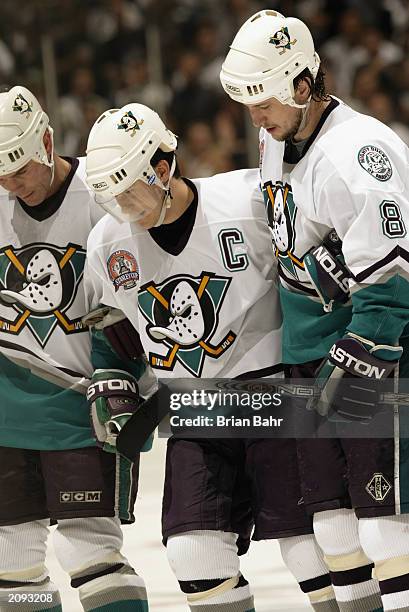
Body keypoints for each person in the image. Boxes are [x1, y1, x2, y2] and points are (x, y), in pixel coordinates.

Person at [83, 102, 340, 611]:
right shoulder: (106, 244)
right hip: (195, 412)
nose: (118, 204)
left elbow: (329, 260)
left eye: (127, 187)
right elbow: (112, 328)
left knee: (312, 548)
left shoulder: (248, 200)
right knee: (192, 554)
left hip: (277, 398)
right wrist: (113, 380)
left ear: (161, 167)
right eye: (107, 192)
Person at [220, 9, 409, 612]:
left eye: (266, 101)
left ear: (305, 84)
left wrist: (362, 353)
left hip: (365, 357)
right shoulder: (277, 133)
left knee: (385, 522)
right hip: (307, 356)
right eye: (248, 103)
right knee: (331, 526)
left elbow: (395, 277)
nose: (257, 116)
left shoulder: (361, 150)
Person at [0, 86, 151, 611]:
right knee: (10, 559)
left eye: (20, 169)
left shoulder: (106, 190)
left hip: (83, 402)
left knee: (91, 550)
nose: (12, 185)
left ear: (46, 139)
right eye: (1, 174)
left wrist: (134, 372)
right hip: (5, 404)